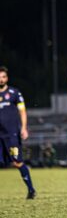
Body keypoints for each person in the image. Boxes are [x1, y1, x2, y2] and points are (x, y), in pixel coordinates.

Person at [0, 66, 36, 199]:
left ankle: (31, 189)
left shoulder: (14, 93)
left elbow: (22, 111)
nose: (1, 80)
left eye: (3, 77)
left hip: (12, 135)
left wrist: (24, 128)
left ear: (7, 78)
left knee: (17, 162)